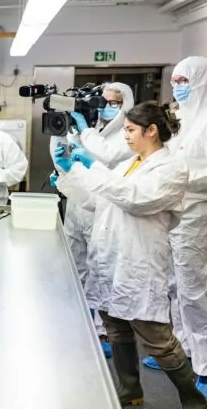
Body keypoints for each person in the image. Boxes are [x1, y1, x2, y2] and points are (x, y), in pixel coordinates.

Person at [54, 101, 207, 409]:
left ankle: (194, 401)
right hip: (111, 259)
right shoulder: (129, 164)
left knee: (157, 339)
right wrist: (70, 172)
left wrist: (92, 166)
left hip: (139, 263)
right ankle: (130, 392)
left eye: (130, 130)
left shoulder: (172, 168)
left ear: (151, 131)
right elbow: (97, 201)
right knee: (116, 328)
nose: (125, 136)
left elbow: (135, 199)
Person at [141, 56, 207, 403]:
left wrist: (182, 178)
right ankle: (180, 351)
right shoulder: (179, 117)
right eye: (174, 81)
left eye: (183, 80)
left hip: (197, 217)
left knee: (193, 293)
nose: (177, 87)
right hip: (171, 213)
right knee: (171, 287)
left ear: (201, 79)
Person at [50, 82, 135, 358]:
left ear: (125, 104)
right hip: (77, 205)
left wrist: (84, 132)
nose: (106, 107)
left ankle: (104, 331)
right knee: (75, 268)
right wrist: (63, 170)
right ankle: (77, 322)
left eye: (113, 102)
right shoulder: (90, 128)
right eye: (103, 101)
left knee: (102, 272)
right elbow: (63, 153)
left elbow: (106, 156)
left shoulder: (126, 134)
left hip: (104, 212)